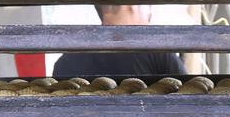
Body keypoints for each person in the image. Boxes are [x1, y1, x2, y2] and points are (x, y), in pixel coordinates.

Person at [52, 5, 186, 77]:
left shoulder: (65, 63)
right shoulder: (157, 52)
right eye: (149, 5)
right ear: (132, 7)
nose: (150, 14)